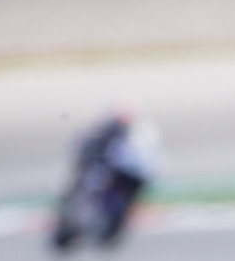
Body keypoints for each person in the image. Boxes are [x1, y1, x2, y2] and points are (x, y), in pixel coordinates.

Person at [53, 104, 160, 250]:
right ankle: (75, 219)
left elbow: (147, 158)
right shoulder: (100, 132)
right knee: (80, 186)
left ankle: (101, 223)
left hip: (123, 175)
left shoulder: (140, 133)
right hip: (102, 170)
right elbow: (82, 150)